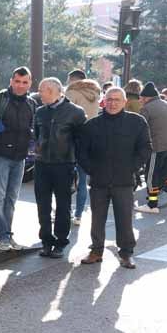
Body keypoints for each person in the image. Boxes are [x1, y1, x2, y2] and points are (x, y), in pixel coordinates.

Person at [76, 87, 152, 269]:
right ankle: (96, 251)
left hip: (124, 180)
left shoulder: (137, 122)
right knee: (97, 218)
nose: (113, 103)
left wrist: (132, 168)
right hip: (99, 180)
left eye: (117, 100)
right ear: (104, 101)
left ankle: (126, 253)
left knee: (125, 218)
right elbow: (81, 152)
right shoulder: (92, 125)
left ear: (124, 102)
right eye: (109, 99)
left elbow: (145, 148)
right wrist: (92, 170)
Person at [33, 78, 87, 258]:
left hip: (64, 165)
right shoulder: (40, 112)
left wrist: (78, 164)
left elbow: (81, 141)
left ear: (54, 91)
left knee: (63, 205)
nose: (39, 94)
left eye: (42, 91)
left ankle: (61, 242)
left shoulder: (76, 112)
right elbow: (37, 136)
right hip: (42, 165)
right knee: (42, 205)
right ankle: (46, 241)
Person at [0, 67, 37, 251]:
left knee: (12, 199)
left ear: (30, 83)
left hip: (20, 157)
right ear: (11, 81)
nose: (20, 85)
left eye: (24, 82)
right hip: (0, 156)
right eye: (17, 81)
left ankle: (7, 234)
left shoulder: (31, 103)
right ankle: (1, 237)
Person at [65, 69, 101, 225]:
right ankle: (78, 215)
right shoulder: (95, 94)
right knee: (82, 180)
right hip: (91, 139)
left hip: (72, 138)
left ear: (73, 80)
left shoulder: (72, 93)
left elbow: (65, 115)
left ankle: (65, 211)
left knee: (65, 177)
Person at [136, 81, 167, 214]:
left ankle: (152, 205)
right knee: (166, 174)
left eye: (141, 98)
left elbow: (140, 128)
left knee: (151, 176)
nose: (140, 101)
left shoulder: (147, 108)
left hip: (156, 147)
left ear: (146, 97)